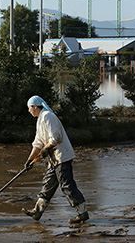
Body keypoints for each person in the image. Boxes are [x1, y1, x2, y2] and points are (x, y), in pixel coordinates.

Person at [22, 95, 89, 224]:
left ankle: (82, 213)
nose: (29, 111)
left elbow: (56, 137)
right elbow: (38, 143)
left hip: (62, 157)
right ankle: (37, 211)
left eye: (29, 108)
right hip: (53, 160)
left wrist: (47, 148)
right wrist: (29, 160)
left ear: (35, 107)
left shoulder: (48, 116)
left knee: (67, 185)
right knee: (48, 185)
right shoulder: (40, 120)